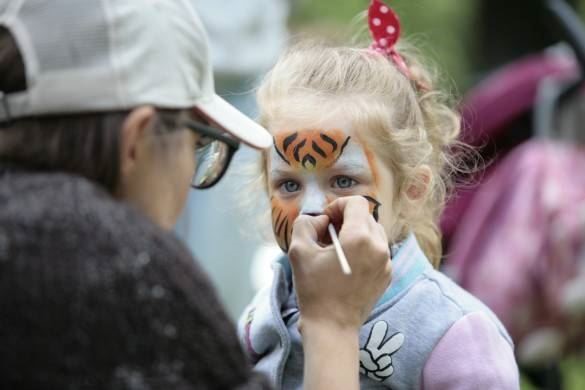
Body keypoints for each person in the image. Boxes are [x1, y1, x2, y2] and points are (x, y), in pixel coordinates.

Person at [0, 1, 391, 389]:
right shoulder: (126, 266)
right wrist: (333, 322)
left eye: (342, 180)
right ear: (137, 140)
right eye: (200, 142)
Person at [238, 1, 520, 388]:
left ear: (411, 191)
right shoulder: (264, 310)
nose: (311, 209)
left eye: (342, 181)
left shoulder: (454, 335)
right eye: (289, 185)